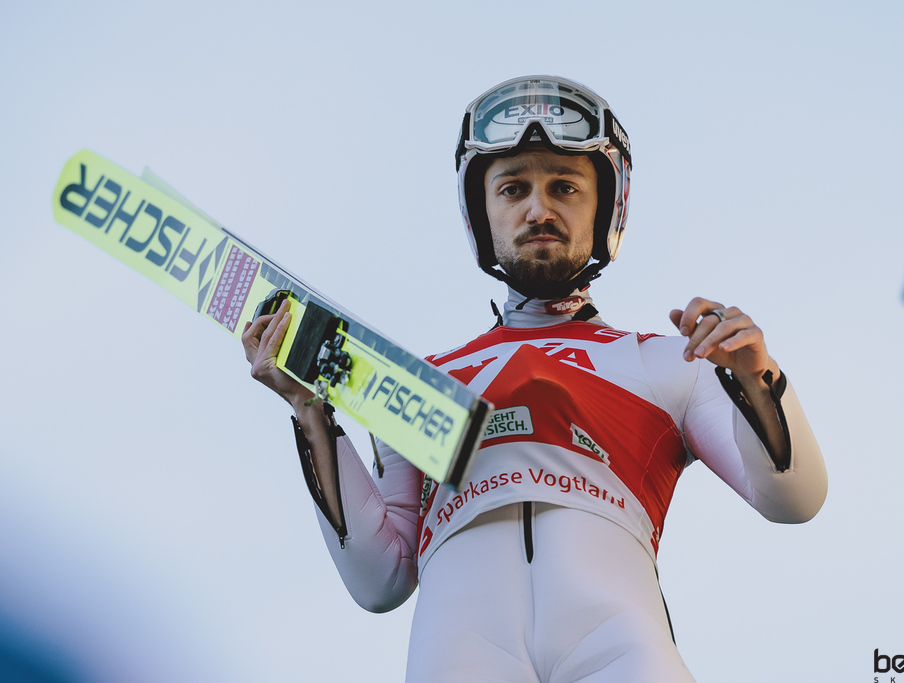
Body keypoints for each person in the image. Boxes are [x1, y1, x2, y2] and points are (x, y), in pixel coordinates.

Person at [242, 75, 827, 682]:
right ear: (482, 213)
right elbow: (379, 579)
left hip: (622, 651)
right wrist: (310, 413)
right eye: (513, 188)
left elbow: (795, 499)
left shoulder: (670, 362)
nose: (539, 210)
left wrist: (756, 376)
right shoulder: (414, 382)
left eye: (565, 187)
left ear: (605, 209)